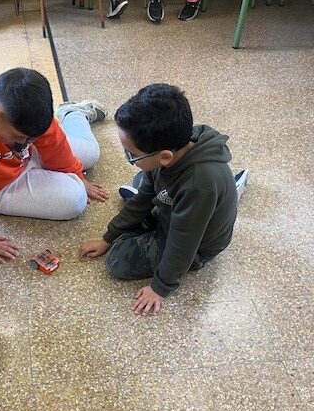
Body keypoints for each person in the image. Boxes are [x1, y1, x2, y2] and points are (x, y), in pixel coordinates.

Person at [79, 83, 249, 316]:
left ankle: (229, 191)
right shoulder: (174, 145)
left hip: (195, 246)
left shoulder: (199, 186)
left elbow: (183, 244)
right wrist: (109, 236)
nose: (128, 158)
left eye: (132, 155)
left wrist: (161, 287)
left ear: (166, 157)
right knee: (143, 181)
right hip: (177, 209)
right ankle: (175, 201)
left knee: (117, 261)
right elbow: (144, 197)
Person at [0, 67, 108, 263]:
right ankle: (65, 132)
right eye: (18, 137)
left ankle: (72, 113)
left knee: (91, 154)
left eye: (30, 138)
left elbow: (52, 139)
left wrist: (76, 173)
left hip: (23, 159)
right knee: (75, 200)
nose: (24, 143)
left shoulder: (26, 101)